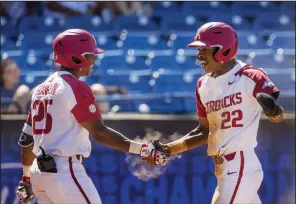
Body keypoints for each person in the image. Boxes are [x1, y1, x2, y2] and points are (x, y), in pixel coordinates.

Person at [15, 29, 169, 204]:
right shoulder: (74, 86)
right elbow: (100, 133)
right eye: (91, 55)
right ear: (75, 57)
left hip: (39, 174)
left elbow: (27, 140)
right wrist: (143, 149)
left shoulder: (39, 90)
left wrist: (26, 179)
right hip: (64, 171)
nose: (94, 60)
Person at [146, 22, 284, 204]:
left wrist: (274, 112)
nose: (199, 55)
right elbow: (205, 131)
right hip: (223, 169)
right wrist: (169, 148)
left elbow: (278, 115)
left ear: (224, 50)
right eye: (199, 49)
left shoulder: (250, 76)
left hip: (240, 164)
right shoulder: (203, 85)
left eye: (204, 49)